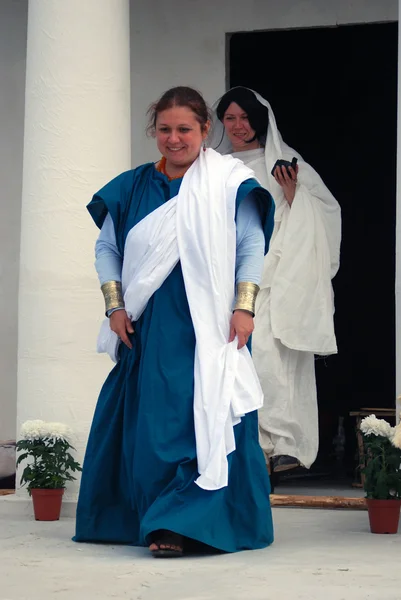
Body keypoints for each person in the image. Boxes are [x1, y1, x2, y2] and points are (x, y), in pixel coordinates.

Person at [74, 86, 275, 557]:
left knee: (208, 412)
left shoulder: (228, 181)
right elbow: (107, 249)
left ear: (206, 130)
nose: (174, 138)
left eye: (185, 129)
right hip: (152, 324)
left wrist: (244, 307)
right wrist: (114, 306)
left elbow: (249, 244)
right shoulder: (132, 186)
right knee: (159, 423)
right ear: (154, 132)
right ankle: (159, 519)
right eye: (164, 129)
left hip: (210, 322)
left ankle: (187, 522)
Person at [209, 87, 341, 474]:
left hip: (274, 277)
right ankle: (241, 446)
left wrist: (292, 193)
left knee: (269, 357)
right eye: (230, 118)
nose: (238, 126)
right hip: (225, 280)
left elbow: (325, 213)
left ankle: (280, 445)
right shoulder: (214, 166)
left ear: (260, 121)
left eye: (245, 118)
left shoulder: (284, 163)